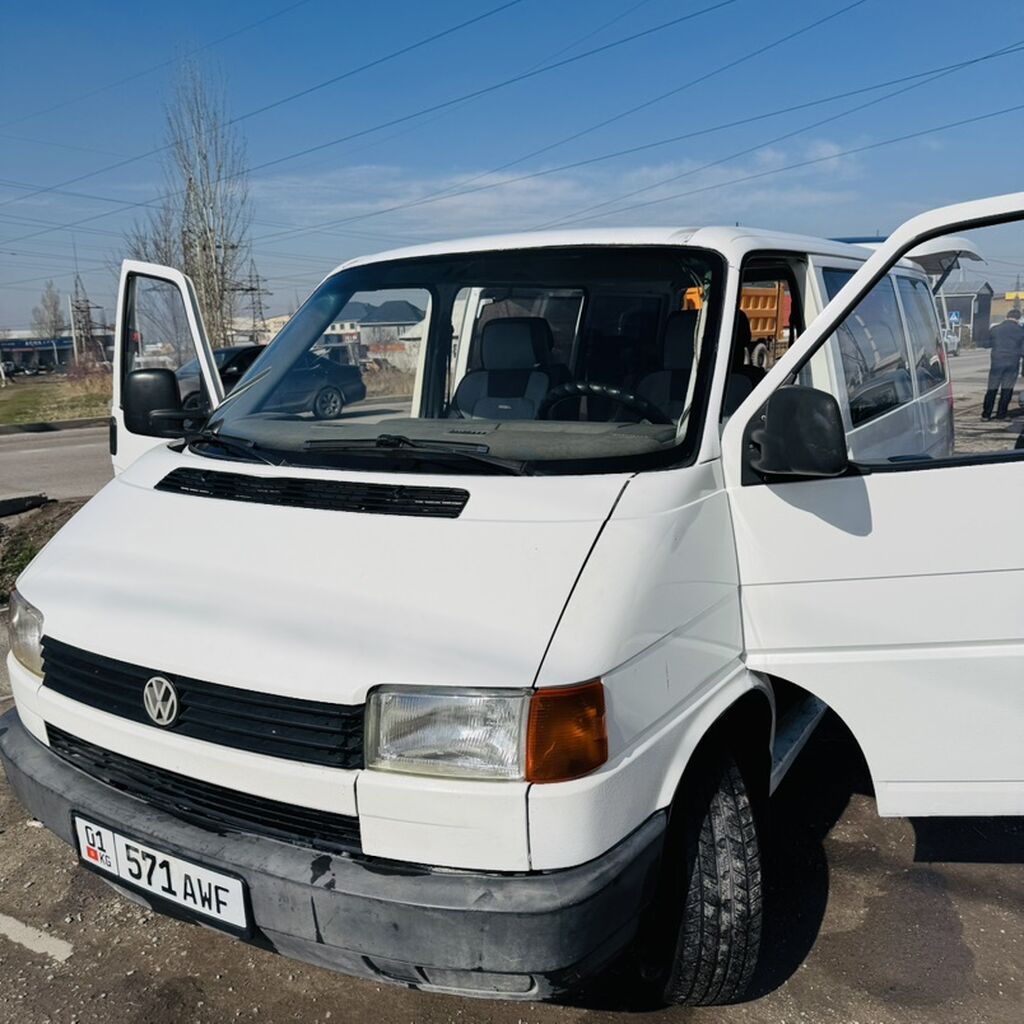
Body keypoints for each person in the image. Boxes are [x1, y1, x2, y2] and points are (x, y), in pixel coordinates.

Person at [982, 308, 1024, 420]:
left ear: (1007, 316)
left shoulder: (995, 329)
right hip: (1012, 364)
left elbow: (986, 344)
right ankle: (1001, 414)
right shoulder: (1021, 331)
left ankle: (986, 414)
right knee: (1007, 389)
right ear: (1018, 318)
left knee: (992, 388)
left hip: (997, 363)